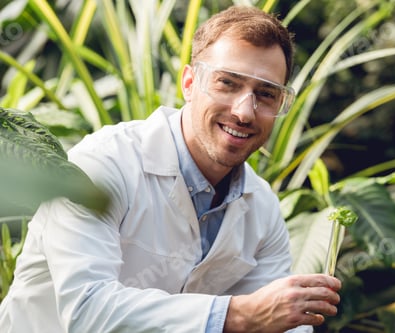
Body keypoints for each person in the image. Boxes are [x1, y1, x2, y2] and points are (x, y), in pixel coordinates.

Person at [0, 5, 341, 333]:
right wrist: (237, 315)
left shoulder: (262, 207)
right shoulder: (102, 165)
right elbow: (87, 311)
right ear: (189, 83)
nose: (245, 112)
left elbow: (280, 325)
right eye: (228, 83)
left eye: (265, 94)